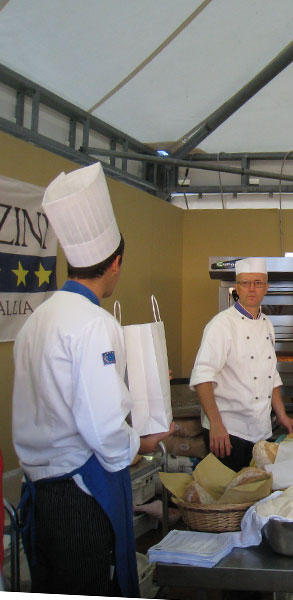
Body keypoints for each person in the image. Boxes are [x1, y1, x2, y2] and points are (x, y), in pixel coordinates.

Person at [12, 162, 175, 597]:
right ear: (115, 263)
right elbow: (104, 431)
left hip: (38, 496)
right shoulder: (95, 324)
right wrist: (143, 441)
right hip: (79, 499)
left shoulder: (36, 321)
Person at [190, 257, 293, 471]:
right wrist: (216, 424)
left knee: (257, 490)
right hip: (228, 432)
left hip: (261, 431)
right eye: (245, 283)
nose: (252, 288)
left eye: (258, 283)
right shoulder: (221, 325)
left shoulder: (267, 324)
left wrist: (282, 415)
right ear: (236, 288)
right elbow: (203, 378)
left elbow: (271, 376)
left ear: (266, 288)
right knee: (230, 496)